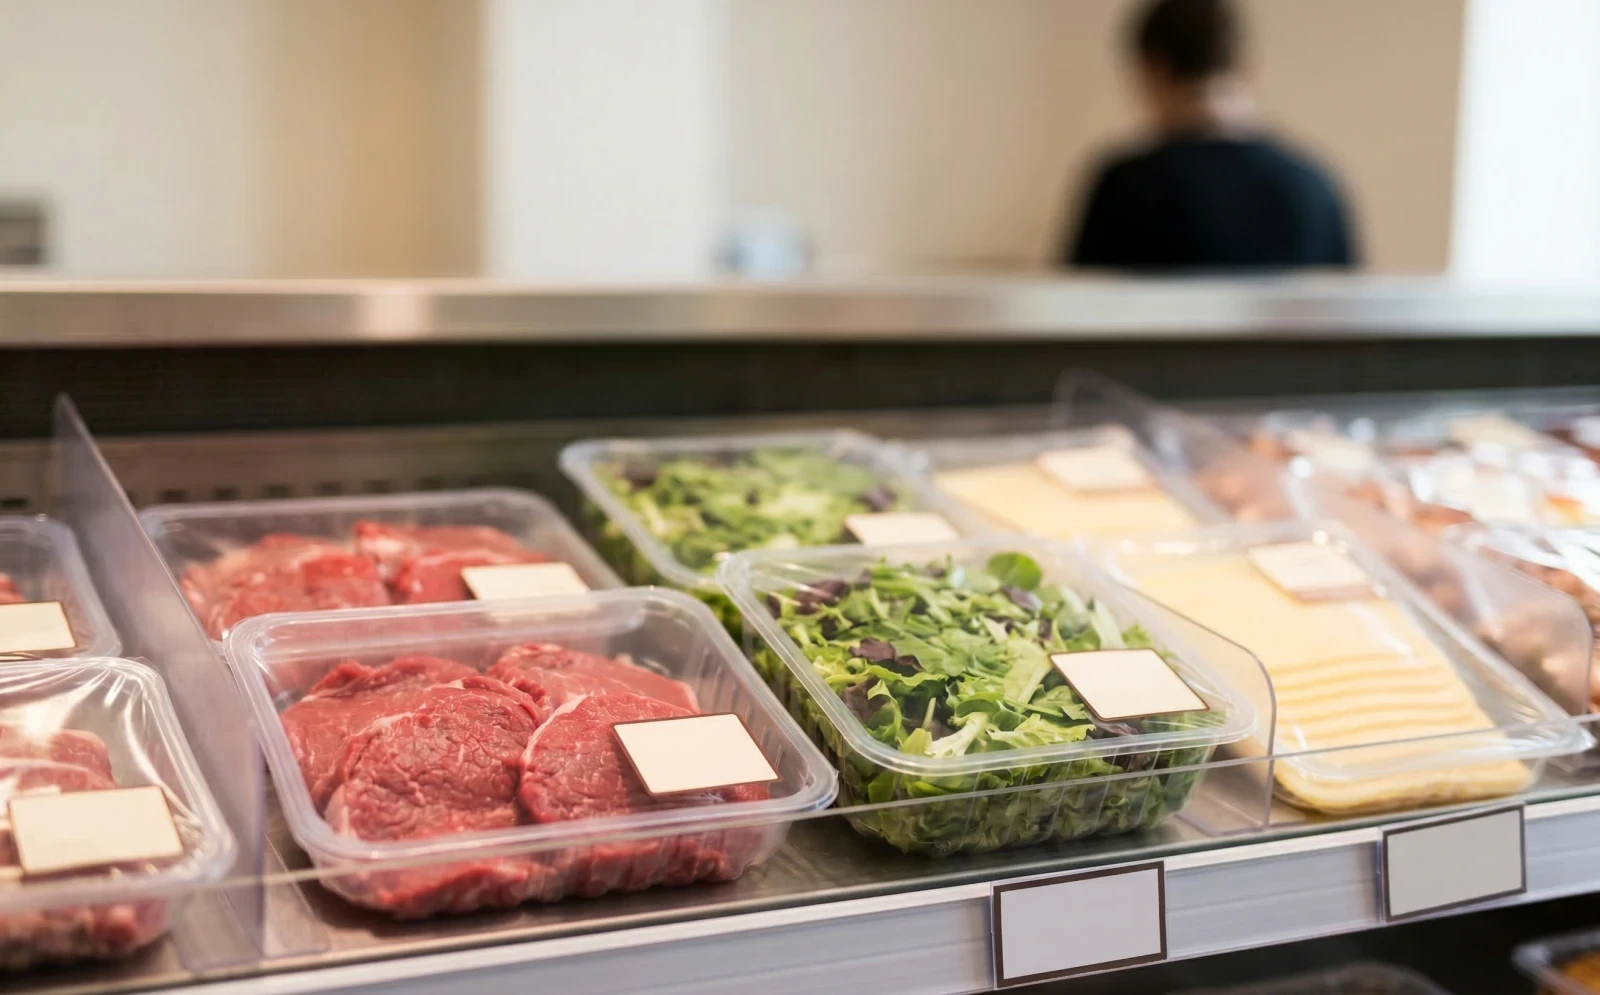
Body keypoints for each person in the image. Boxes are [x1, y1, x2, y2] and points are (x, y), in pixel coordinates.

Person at [1063, 0, 1357, 272]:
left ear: (1155, 66)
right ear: (1243, 64)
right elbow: (1352, 318)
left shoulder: (1125, 187)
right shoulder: (1314, 184)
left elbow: (1075, 314)